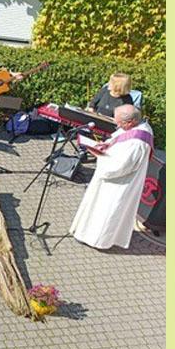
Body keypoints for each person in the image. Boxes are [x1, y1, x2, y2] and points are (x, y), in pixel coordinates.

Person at [69, 106, 155, 250]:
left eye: (120, 122)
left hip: (118, 184)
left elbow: (118, 167)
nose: (117, 125)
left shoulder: (137, 143)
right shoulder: (135, 127)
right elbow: (119, 137)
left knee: (105, 212)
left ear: (131, 122)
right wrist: (107, 144)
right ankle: (85, 232)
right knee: (96, 208)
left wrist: (99, 155)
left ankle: (96, 240)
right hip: (114, 180)